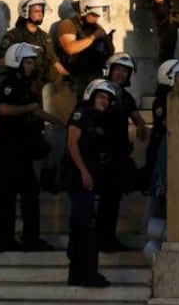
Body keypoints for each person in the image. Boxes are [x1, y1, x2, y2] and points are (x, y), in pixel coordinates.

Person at [0, 42, 55, 252]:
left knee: (26, 194)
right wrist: (28, 108)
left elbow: (35, 110)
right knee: (14, 196)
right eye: (28, 62)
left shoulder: (24, 85)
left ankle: (24, 237)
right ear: (17, 62)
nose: (31, 66)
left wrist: (59, 121)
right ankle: (13, 238)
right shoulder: (10, 84)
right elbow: (3, 109)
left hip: (21, 149)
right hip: (10, 150)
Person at [142, 58, 179, 264]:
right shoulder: (164, 99)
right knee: (161, 202)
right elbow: (172, 123)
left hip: (177, 155)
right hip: (165, 155)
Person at [64, 78, 117, 287]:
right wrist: (84, 171)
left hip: (88, 177)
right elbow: (71, 143)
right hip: (78, 178)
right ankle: (88, 274)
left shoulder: (98, 120)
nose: (104, 101)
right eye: (101, 96)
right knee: (88, 227)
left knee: (80, 226)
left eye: (107, 98)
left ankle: (76, 274)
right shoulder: (82, 114)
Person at [96, 52, 149, 252]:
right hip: (101, 156)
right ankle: (101, 238)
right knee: (105, 200)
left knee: (113, 199)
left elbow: (135, 115)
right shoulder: (99, 91)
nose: (120, 74)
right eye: (117, 69)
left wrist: (142, 125)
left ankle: (108, 238)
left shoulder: (124, 96)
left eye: (125, 71)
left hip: (118, 155)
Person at [0, 0, 69, 98]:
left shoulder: (45, 37)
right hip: (22, 87)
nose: (40, 15)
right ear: (25, 12)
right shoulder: (14, 36)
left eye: (41, 11)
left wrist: (67, 76)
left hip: (44, 88)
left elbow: (54, 61)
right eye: (36, 11)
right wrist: (21, 58)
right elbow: (1, 61)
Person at [55, 0, 114, 99]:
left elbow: (110, 52)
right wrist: (92, 37)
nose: (96, 19)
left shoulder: (96, 27)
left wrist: (106, 37)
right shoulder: (68, 24)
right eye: (94, 15)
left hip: (95, 76)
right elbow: (70, 48)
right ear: (85, 11)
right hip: (76, 79)